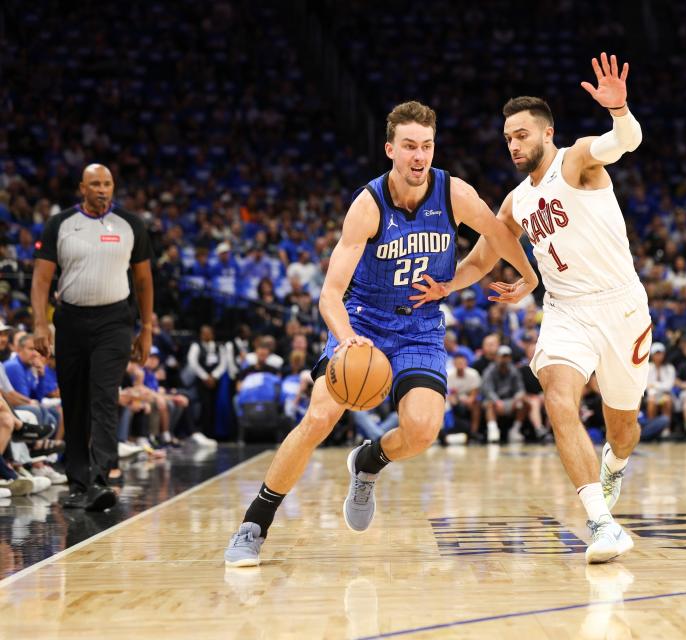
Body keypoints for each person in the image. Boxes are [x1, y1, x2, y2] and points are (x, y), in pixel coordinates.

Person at [224, 101, 538, 567]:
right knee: (319, 417)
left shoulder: (453, 193)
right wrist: (347, 337)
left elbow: (499, 236)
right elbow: (329, 293)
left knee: (423, 429)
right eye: (409, 146)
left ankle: (369, 461)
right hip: (364, 321)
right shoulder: (368, 206)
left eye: (427, 146)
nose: (419, 156)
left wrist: (517, 277)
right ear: (390, 148)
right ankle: (255, 522)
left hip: (420, 326)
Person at [412, 53, 647, 563]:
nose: (514, 145)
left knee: (623, 427)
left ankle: (614, 463)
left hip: (622, 307)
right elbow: (480, 260)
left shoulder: (577, 161)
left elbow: (625, 142)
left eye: (521, 135)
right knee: (558, 398)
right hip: (565, 311)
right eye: (508, 139)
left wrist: (620, 110)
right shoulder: (515, 202)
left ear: (547, 133)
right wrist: (443, 287)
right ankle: (601, 523)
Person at [31, 163, 153, 512]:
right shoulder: (60, 224)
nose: (102, 189)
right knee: (75, 398)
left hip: (115, 320)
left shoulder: (132, 225)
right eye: (95, 184)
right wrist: (41, 324)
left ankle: (101, 478)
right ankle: (77, 481)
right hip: (70, 318)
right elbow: (41, 280)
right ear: (81, 188)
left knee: (103, 394)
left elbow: (144, 281)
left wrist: (146, 329)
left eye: (108, 184)